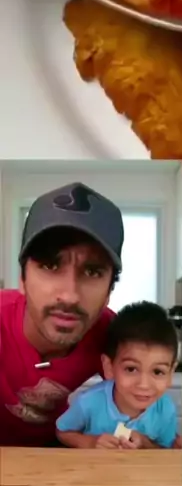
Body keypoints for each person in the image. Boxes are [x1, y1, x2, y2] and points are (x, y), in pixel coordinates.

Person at [0, 182, 124, 447]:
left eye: (92, 272)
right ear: (22, 278)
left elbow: (138, 405)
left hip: (56, 448)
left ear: (109, 291)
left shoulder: (111, 333)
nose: (69, 296)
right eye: (50, 265)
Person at [56, 302, 179, 450]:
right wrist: (90, 443)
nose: (144, 385)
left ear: (171, 373)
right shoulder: (89, 402)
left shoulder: (165, 409)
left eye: (158, 372)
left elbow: (166, 449)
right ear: (109, 367)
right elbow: (62, 432)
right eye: (131, 369)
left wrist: (145, 443)